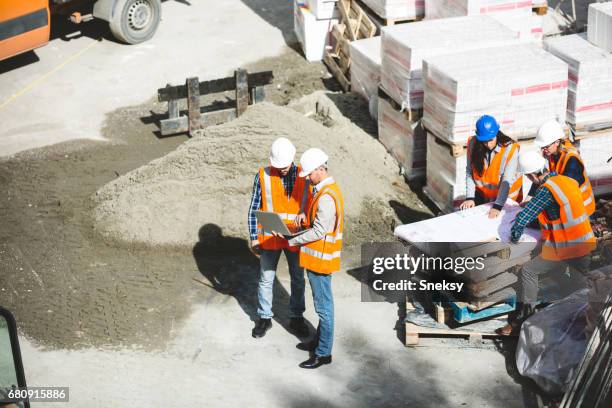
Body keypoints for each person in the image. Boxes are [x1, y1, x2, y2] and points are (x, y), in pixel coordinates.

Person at [497, 151, 596, 335]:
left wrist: (514, 238)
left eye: (528, 177)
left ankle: (524, 320)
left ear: (533, 175)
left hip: (566, 247)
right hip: (585, 243)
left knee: (528, 271)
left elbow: (521, 221)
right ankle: (583, 323)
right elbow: (558, 211)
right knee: (577, 284)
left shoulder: (545, 192)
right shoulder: (565, 180)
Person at [276, 148, 344, 369]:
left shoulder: (326, 197)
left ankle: (323, 353)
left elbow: (319, 231)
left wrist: (292, 240)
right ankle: (319, 342)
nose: (307, 178)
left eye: (309, 174)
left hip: (321, 261)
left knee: (324, 308)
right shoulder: (324, 190)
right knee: (322, 306)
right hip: (318, 258)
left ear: (319, 169)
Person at [248, 137, 311, 339]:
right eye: (278, 165)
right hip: (270, 237)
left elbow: (310, 205)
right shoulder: (263, 175)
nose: (282, 169)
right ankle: (264, 318)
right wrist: (254, 237)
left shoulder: (305, 175)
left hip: (295, 236)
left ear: (293, 159)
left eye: (284, 165)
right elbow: (254, 208)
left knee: (298, 279)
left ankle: (296, 317)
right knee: (266, 278)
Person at [459, 115, 522, 218]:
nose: (488, 144)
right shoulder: (473, 143)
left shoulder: (510, 149)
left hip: (506, 200)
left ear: (497, 133)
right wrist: (470, 197)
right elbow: (470, 171)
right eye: (484, 141)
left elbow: (507, 180)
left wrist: (498, 205)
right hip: (483, 197)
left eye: (490, 140)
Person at [533, 120, 595, 215]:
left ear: (557, 142)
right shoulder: (553, 154)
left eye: (546, 147)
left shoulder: (571, 159)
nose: (543, 150)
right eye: (542, 147)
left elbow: (564, 189)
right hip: (570, 205)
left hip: (581, 209)